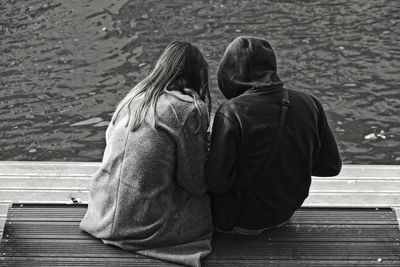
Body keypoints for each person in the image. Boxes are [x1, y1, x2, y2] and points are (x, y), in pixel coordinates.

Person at [80, 41, 213, 267]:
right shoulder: (188, 108)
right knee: (207, 203)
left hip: (102, 213)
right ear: (197, 75)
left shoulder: (133, 98)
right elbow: (194, 182)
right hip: (145, 226)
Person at [206, 36, 342, 234]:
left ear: (229, 71)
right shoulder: (310, 103)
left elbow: (217, 182)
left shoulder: (232, 111)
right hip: (284, 213)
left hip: (240, 219)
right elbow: (330, 167)